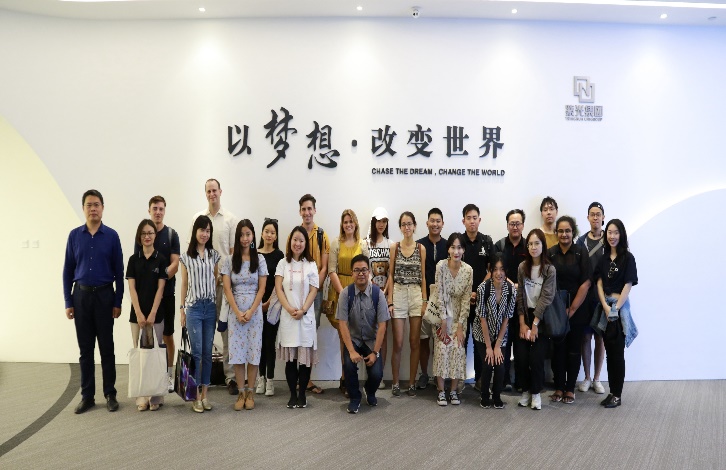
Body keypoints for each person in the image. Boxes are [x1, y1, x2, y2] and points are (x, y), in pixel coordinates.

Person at [63, 189, 124, 414]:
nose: (93, 209)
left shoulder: (112, 236)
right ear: (83, 208)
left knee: (107, 348)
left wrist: (117, 301)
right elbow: (67, 271)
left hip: (105, 297)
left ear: (103, 208)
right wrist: (68, 301)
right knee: (85, 350)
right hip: (81, 297)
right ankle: (87, 396)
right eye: (89, 205)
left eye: (97, 204)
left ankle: (110, 394)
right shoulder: (74, 236)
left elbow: (119, 272)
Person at [191, 179, 238, 395]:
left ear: (221, 191)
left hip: (223, 285)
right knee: (204, 333)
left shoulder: (230, 220)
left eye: (214, 190)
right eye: (208, 191)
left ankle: (231, 377)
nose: (212, 194)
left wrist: (225, 278)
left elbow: (233, 253)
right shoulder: (198, 219)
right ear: (205, 194)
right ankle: (203, 378)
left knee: (226, 331)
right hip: (202, 287)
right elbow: (192, 251)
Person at [135, 196, 180, 392]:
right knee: (148, 338)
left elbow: (175, 263)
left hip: (167, 295)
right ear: (149, 210)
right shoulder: (142, 233)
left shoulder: (171, 235)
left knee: (167, 335)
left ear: (165, 211)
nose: (158, 212)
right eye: (154, 208)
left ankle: (168, 374)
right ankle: (151, 376)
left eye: (161, 209)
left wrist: (159, 278)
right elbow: (138, 264)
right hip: (146, 297)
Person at [222, 220, 267, 411]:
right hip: (235, 313)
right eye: (241, 235)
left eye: (248, 234)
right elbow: (227, 289)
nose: (245, 238)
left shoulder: (260, 260)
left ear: (253, 236)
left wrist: (251, 311)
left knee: (253, 353)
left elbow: (262, 288)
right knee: (238, 353)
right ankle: (241, 392)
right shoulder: (229, 260)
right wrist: (237, 311)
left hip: (254, 314)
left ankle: (250, 392)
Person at [593, 219, 638, 408]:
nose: (612, 236)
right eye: (609, 232)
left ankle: (617, 395)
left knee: (617, 353)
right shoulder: (603, 258)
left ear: (621, 235)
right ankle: (612, 392)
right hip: (605, 308)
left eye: (616, 232)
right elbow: (599, 282)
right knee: (610, 352)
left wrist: (616, 308)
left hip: (619, 309)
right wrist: (605, 305)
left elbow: (628, 284)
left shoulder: (628, 258)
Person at [337, 254, 390, 413]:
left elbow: (382, 325)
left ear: (369, 272)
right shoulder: (345, 294)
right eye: (357, 270)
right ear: (352, 273)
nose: (361, 273)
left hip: (371, 341)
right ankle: (355, 398)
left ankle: (370, 391)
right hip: (353, 339)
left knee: (377, 374)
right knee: (348, 366)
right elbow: (342, 324)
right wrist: (351, 351)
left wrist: (375, 352)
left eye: (364, 270)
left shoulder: (378, 294)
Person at [548, 216, 591, 404]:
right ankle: (558, 386)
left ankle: (570, 388)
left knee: (574, 349)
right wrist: (560, 310)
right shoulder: (550, 254)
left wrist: (571, 309)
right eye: (561, 231)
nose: (564, 234)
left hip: (577, 308)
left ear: (573, 232)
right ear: (556, 232)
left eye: (567, 231)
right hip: (556, 308)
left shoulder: (581, 252)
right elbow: (547, 282)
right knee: (557, 349)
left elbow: (586, 282)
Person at [180, 215, 221, 413]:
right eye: (202, 230)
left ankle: (205, 395)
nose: (205, 234)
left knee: (207, 354)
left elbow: (216, 279)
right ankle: (195, 396)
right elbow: (184, 284)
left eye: (208, 231)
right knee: (196, 353)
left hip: (210, 307)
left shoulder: (214, 255)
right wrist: (182, 309)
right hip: (194, 308)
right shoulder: (186, 257)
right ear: (195, 231)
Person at [276, 226, 320, 409]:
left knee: (304, 360)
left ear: (305, 243)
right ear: (290, 241)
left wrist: (302, 310)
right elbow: (278, 288)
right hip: (288, 318)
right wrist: (289, 309)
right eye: (295, 239)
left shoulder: (311, 264)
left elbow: (314, 290)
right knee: (291, 360)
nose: (298, 243)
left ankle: (302, 395)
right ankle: (292, 395)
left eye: (301, 240)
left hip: (305, 317)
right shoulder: (282, 263)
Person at [126, 219, 168, 411]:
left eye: (150, 233)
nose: (147, 236)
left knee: (155, 355)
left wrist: (151, 314)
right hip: (137, 315)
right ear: (139, 237)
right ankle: (142, 394)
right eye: (143, 233)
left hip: (156, 315)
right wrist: (139, 313)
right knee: (140, 354)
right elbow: (132, 289)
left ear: (155, 235)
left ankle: (156, 395)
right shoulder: (133, 260)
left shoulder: (161, 259)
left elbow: (161, 289)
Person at [328, 209, 369, 397]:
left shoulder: (363, 244)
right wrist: (344, 293)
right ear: (342, 224)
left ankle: (354, 377)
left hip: (359, 291)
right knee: (344, 339)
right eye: (345, 222)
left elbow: (367, 271)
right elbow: (332, 270)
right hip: (341, 291)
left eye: (351, 221)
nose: (348, 225)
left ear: (356, 223)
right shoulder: (336, 243)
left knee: (357, 336)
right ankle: (345, 378)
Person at [386, 211, 427, 397]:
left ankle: (411, 383)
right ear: (400, 227)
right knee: (398, 342)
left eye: (409, 224)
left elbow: (423, 276)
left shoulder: (421, 248)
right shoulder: (394, 247)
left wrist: (424, 300)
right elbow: (390, 274)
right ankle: (395, 383)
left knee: (414, 341)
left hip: (416, 294)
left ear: (415, 226)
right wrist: (390, 299)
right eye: (403, 224)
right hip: (399, 293)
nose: (407, 227)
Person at [515, 229, 556, 411]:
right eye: (530, 244)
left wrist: (534, 324)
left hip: (541, 318)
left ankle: (536, 393)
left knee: (537, 359)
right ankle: (525, 391)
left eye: (537, 243)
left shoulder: (549, 270)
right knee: (522, 357)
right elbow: (520, 296)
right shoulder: (522, 267)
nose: (533, 247)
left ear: (543, 245)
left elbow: (546, 297)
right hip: (525, 315)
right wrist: (522, 323)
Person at [432, 233, 472, 406]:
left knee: (458, 348)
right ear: (448, 249)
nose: (456, 251)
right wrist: (443, 321)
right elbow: (440, 294)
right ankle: (441, 391)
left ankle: (454, 391)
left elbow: (466, 299)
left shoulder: (468, 270)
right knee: (442, 348)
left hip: (459, 317)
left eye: (459, 248)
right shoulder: (441, 266)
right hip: (443, 315)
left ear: (464, 250)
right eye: (453, 247)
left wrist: (460, 326)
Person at [296, 194, 329, 394]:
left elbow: (324, 267)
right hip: (296, 293)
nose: (307, 212)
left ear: (314, 210)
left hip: (315, 293)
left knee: (310, 333)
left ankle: (306, 379)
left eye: (310, 209)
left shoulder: (321, 235)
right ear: (300, 211)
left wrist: (314, 288)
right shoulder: (295, 234)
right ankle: (297, 378)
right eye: (304, 209)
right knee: (296, 333)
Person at [473, 254, 516, 409]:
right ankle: (484, 395)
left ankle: (497, 395)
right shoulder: (482, 288)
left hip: (500, 333)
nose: (499, 273)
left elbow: (507, 318)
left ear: (506, 271)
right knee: (487, 363)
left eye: (502, 269)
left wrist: (497, 345)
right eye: (495, 269)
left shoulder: (511, 289)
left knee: (500, 364)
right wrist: (488, 347)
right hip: (482, 333)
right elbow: (482, 319)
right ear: (490, 270)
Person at [461, 204, 494, 392]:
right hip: (463, 300)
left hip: (482, 299)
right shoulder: (459, 242)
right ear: (463, 221)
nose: (472, 221)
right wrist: (468, 293)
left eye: (475, 218)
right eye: (468, 218)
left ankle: (481, 378)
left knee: (480, 340)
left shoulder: (487, 241)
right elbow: (455, 269)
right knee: (462, 339)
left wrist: (478, 291)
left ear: (479, 220)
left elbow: (492, 270)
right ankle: (459, 377)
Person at [493, 208, 527, 391]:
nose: (515, 227)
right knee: (503, 342)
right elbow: (495, 271)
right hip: (502, 301)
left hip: (523, 302)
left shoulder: (529, 246)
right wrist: (510, 284)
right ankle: (503, 380)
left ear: (523, 225)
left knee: (521, 345)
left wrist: (518, 286)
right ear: (507, 225)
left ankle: (521, 382)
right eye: (512, 223)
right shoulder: (499, 245)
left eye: (518, 223)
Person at [576, 202, 607, 395]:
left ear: (603, 217)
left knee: (600, 338)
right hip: (585, 298)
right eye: (592, 214)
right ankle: (587, 377)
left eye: (598, 214)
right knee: (586, 337)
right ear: (587, 217)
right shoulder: (581, 242)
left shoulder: (610, 239)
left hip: (603, 298)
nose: (595, 217)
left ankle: (597, 378)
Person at [416, 207, 447, 390]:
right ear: (427, 223)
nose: (435, 224)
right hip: (423, 300)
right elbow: (419, 275)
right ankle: (424, 374)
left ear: (442, 224)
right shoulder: (419, 245)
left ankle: (438, 374)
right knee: (423, 339)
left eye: (438, 221)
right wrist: (423, 300)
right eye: (432, 221)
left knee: (440, 340)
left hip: (442, 302)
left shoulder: (449, 246)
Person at [255, 218, 284, 397]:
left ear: (276, 236)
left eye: (273, 232)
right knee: (258, 343)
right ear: (262, 233)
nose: (269, 235)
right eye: (267, 231)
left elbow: (279, 282)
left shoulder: (280, 255)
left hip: (273, 305)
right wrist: (259, 303)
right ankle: (261, 378)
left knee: (270, 342)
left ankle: (271, 380)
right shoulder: (255, 254)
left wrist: (269, 303)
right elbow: (252, 280)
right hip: (256, 305)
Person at [366, 207, 391, 389]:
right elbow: (364, 269)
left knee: (383, 335)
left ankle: (380, 374)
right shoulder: (366, 243)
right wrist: (374, 289)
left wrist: (385, 292)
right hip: (369, 294)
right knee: (370, 334)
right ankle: (371, 374)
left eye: (384, 221)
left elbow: (392, 272)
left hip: (385, 295)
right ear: (373, 222)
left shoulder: (391, 244)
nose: (381, 224)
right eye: (378, 221)